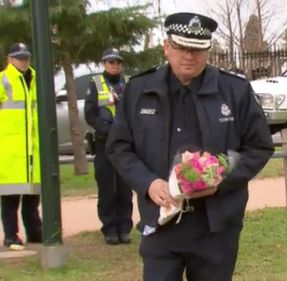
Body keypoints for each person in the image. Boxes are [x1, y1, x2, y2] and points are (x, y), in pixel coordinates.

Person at [106, 12, 274, 280]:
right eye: (182, 47)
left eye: (197, 49)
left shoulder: (234, 91)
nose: (189, 56)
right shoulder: (139, 90)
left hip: (215, 226)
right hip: (161, 220)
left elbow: (259, 147)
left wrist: (220, 175)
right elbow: (119, 147)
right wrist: (148, 183)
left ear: (207, 50)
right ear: (167, 47)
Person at [84, 48, 133, 245]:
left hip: (125, 144)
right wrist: (107, 130)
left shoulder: (128, 83)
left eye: (118, 62)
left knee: (124, 189)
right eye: (111, 62)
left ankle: (124, 228)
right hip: (104, 142)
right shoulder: (95, 84)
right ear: (104, 63)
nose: (115, 65)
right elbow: (90, 114)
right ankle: (110, 229)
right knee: (106, 188)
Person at [0, 43, 42, 248]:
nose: (23, 61)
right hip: (10, 149)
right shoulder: (3, 80)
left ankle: (34, 232)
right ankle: (10, 235)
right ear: (9, 59)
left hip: (32, 148)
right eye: (19, 58)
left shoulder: (36, 79)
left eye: (26, 57)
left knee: (32, 196)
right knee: (10, 196)